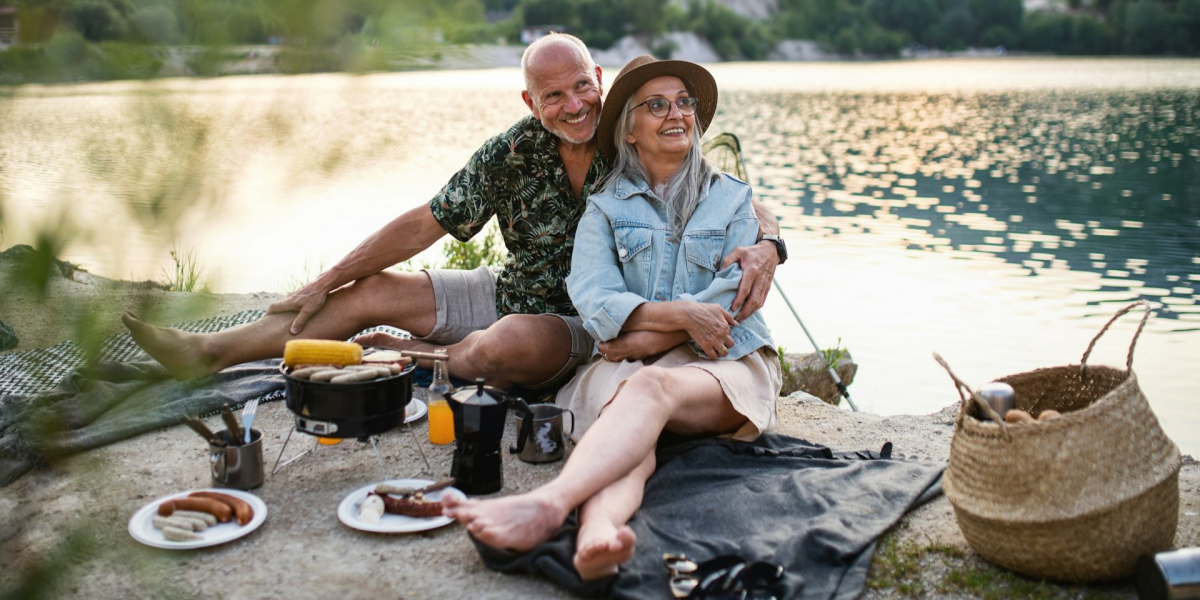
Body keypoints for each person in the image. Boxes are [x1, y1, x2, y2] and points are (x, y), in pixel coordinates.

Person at [122, 34, 784, 397]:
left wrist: (768, 245)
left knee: (511, 342)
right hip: (508, 291)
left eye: (583, 85)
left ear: (600, 76)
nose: (575, 105)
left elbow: (732, 195)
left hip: (587, 320)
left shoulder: (633, 137)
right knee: (370, 292)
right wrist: (330, 276)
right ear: (531, 101)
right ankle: (208, 353)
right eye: (554, 96)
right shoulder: (511, 152)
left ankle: (406, 359)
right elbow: (426, 222)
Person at [443, 56, 783, 582]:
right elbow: (594, 300)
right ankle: (598, 528)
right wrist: (681, 315)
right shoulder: (603, 208)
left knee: (647, 387)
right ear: (628, 128)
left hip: (726, 363)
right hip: (635, 365)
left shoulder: (733, 200)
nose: (678, 114)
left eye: (685, 102)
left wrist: (641, 333)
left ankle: (548, 505)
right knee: (629, 413)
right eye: (657, 105)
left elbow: (728, 310)